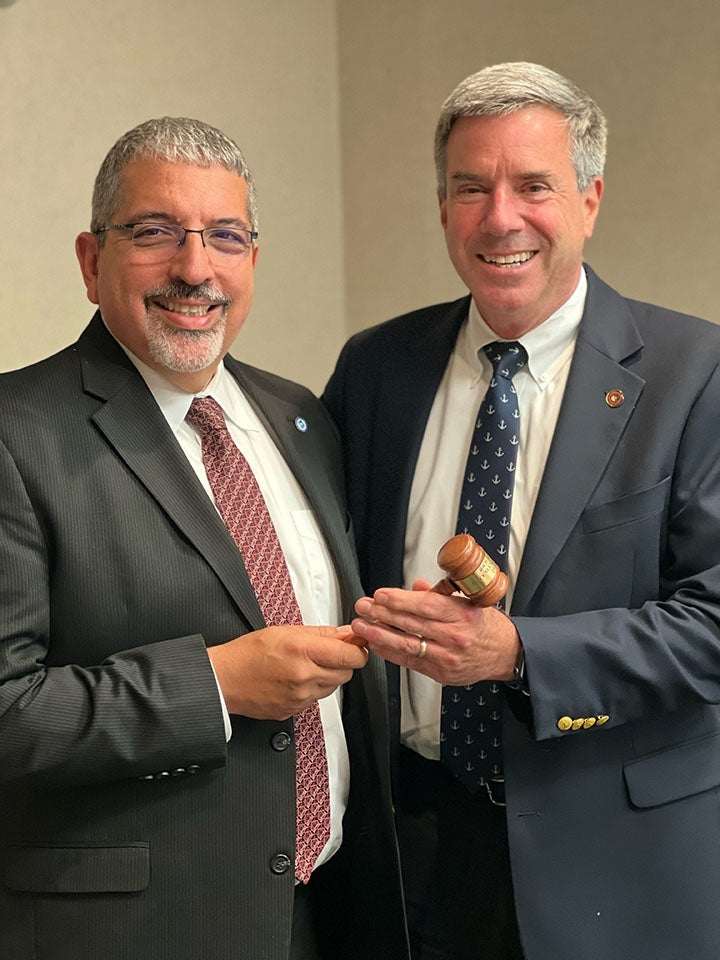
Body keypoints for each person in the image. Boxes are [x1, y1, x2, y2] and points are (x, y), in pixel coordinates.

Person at [323, 62, 720, 960]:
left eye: (532, 185)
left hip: (615, 862)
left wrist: (520, 654)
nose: (500, 218)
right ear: (443, 209)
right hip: (414, 848)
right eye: (471, 187)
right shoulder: (377, 370)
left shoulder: (694, 374)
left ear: (589, 199)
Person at [0, 117, 409, 960]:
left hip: (318, 915)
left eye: (225, 236)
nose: (195, 268)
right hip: (129, 933)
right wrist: (217, 684)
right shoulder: (17, 432)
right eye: (154, 233)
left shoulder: (301, 418)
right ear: (91, 260)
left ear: (251, 261)